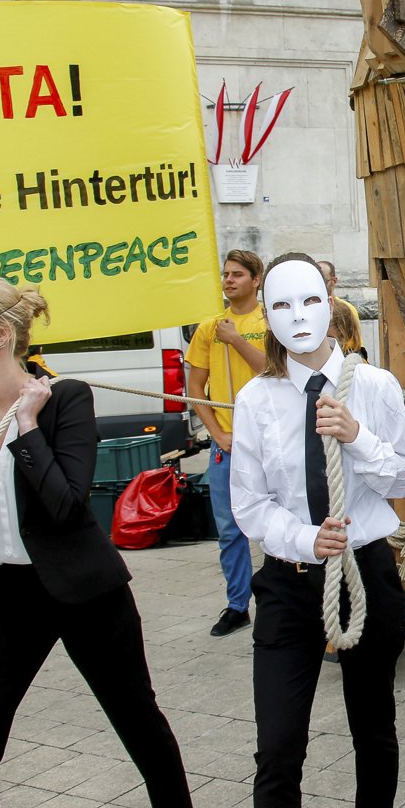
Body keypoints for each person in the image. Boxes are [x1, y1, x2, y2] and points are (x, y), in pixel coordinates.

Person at [0, 277, 195, 808]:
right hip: (13, 600)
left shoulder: (67, 398)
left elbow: (67, 504)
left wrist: (28, 428)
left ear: (0, 334)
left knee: (135, 713)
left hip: (86, 592)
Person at [230, 253, 405, 808]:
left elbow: (404, 479)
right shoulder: (256, 399)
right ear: (266, 312)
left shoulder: (373, 386)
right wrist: (304, 539)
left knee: (372, 720)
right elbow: (250, 505)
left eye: (309, 301)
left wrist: (357, 436)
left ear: (330, 302)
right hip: (291, 583)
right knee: (278, 743)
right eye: (281, 305)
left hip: (367, 573)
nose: (298, 316)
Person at [186, 249, 267, 637]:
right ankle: (238, 604)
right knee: (230, 530)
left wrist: (235, 340)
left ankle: (280, 598)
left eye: (238, 274)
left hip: (268, 441)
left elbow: (272, 370)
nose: (229, 280)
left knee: (277, 523)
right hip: (227, 443)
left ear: (256, 279)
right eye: (225, 274)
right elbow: (194, 387)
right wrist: (217, 434)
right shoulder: (208, 327)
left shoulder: (270, 320)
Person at [317, 259, 364, 357]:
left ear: (334, 281)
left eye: (322, 281)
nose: (318, 285)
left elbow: (356, 346)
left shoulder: (346, 309)